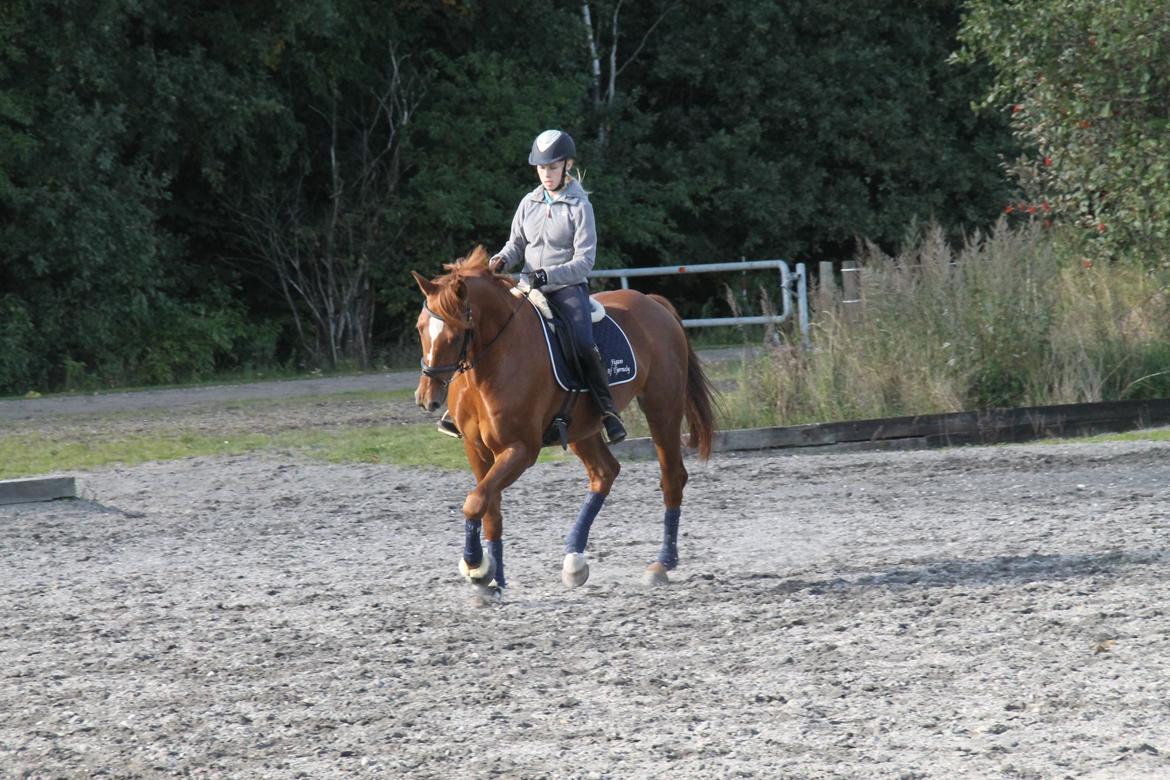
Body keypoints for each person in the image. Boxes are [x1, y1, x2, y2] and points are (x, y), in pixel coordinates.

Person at [437, 129, 627, 444]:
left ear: (567, 165)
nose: (546, 174)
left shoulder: (580, 206)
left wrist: (547, 274)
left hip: (566, 288)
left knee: (581, 342)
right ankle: (458, 409)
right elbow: (516, 243)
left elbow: (584, 260)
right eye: (541, 168)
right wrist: (499, 260)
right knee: (478, 329)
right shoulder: (530, 202)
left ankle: (607, 411)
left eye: (552, 167)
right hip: (528, 286)